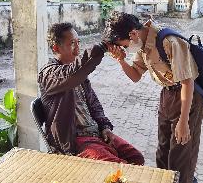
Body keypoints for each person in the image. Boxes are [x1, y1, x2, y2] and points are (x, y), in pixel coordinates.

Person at [104, 12, 203, 183]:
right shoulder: (143, 43)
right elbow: (135, 75)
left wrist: (184, 120)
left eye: (125, 46)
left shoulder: (169, 41)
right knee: (163, 154)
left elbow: (188, 82)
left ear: (132, 34)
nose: (127, 49)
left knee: (180, 158)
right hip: (167, 95)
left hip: (186, 97)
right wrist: (121, 60)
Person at [38, 22, 144, 165]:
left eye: (78, 42)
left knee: (136, 158)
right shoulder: (49, 74)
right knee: (120, 168)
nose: (77, 50)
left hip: (96, 133)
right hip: (74, 140)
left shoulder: (80, 76)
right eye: (72, 44)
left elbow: (94, 105)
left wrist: (105, 127)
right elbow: (72, 73)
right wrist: (102, 47)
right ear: (56, 48)